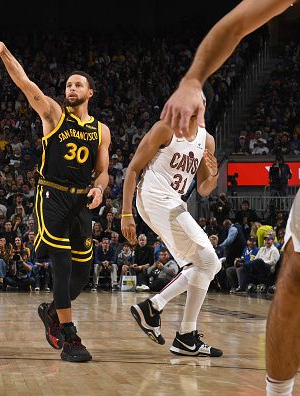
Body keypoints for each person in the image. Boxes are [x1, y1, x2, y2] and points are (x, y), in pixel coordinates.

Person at [159, 0, 300, 393]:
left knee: (207, 261)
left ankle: (166, 315)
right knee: (292, 286)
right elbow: (240, 20)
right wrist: (193, 80)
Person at [0, 41, 110, 362]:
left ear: (90, 93)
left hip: (81, 200)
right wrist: (5, 54)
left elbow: (103, 172)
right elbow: (27, 85)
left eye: (78, 84)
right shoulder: (54, 114)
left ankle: (52, 311)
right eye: (68, 84)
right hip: (51, 194)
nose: (71, 88)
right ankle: (70, 338)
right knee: (63, 266)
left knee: (84, 272)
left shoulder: (101, 130)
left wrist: (99, 189)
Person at [121, 92, 223, 357]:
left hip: (173, 203)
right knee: (209, 262)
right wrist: (125, 213)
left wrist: (213, 176)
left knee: (205, 265)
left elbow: (203, 189)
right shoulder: (164, 128)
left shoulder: (207, 140)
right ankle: (157, 311)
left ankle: (182, 333)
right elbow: (132, 169)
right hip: (153, 198)